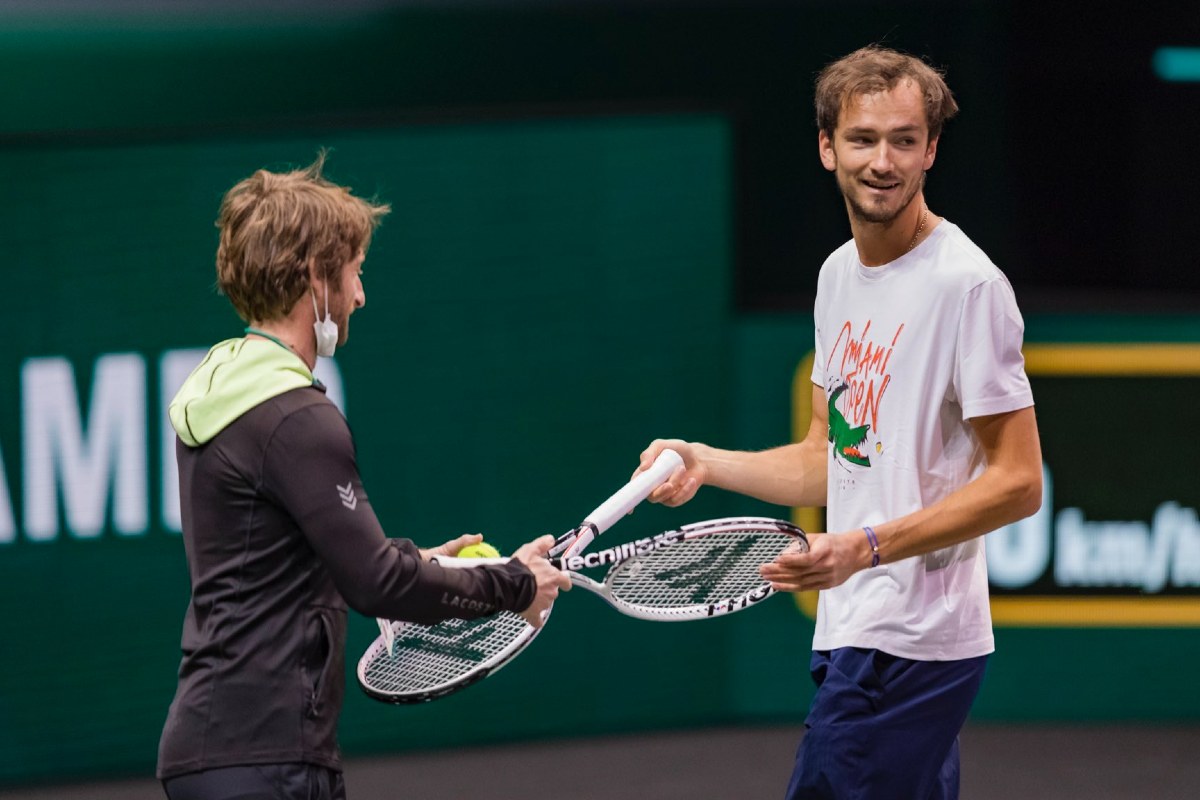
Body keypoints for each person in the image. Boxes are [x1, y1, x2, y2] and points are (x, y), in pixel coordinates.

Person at [634, 45, 1043, 799]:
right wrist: (705, 461)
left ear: (931, 150)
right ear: (828, 148)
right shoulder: (836, 277)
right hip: (853, 627)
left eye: (904, 140)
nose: (882, 162)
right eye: (862, 140)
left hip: (914, 641)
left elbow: (1019, 484)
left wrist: (866, 545)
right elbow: (831, 458)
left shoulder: (969, 286)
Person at [156, 154, 570, 800]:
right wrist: (513, 585)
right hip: (267, 761)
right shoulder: (297, 416)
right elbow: (376, 582)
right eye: (354, 273)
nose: (359, 295)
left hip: (220, 751)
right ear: (315, 279)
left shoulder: (224, 393)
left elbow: (297, 562)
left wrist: (439, 564)